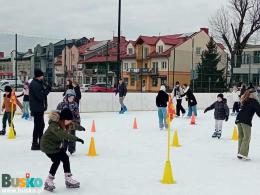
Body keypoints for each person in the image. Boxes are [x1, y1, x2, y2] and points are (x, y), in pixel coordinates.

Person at [40, 108, 85, 192]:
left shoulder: (66, 123)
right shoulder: (54, 125)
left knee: (65, 158)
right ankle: (48, 180)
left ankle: (68, 179)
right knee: (56, 161)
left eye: (70, 120)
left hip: (55, 146)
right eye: (68, 120)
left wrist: (81, 128)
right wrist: (77, 139)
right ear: (63, 119)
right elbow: (64, 135)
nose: (69, 122)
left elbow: (73, 125)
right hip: (47, 146)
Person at [235, 87, 260, 160]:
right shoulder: (254, 102)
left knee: (241, 137)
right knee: (247, 137)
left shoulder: (245, 100)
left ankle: (240, 153)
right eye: (256, 94)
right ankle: (243, 154)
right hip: (245, 121)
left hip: (239, 119)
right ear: (254, 94)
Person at [29, 69, 50, 150]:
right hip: (37, 108)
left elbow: (41, 93)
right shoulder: (35, 84)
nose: (43, 77)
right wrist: (47, 90)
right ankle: (35, 143)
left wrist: (45, 86)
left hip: (38, 108)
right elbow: (40, 96)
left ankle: (40, 142)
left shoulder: (37, 83)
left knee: (41, 125)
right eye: (42, 75)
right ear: (39, 76)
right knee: (38, 126)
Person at [57, 89, 80, 155]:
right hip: (64, 123)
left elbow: (77, 114)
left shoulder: (75, 104)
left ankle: (71, 149)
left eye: (72, 98)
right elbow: (57, 113)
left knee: (72, 135)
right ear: (66, 97)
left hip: (72, 123)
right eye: (70, 97)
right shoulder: (61, 104)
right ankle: (63, 149)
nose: (71, 99)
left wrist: (78, 122)